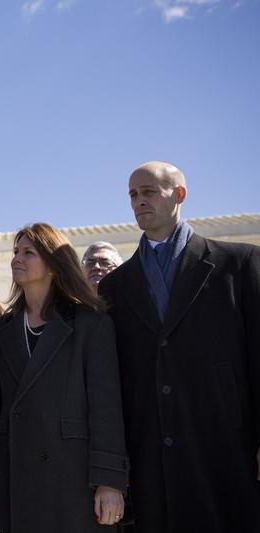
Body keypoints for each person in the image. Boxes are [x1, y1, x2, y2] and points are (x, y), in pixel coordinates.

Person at [98, 161, 260, 533]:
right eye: (133, 195)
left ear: (179, 195)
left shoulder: (237, 264)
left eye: (149, 192)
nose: (139, 201)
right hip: (152, 457)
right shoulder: (114, 287)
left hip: (227, 447)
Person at [0, 223, 128, 532]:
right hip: (14, 474)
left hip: (73, 477)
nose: (17, 259)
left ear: (55, 264)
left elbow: (106, 409)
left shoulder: (91, 325)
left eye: (29, 252)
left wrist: (110, 483)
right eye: (16, 251)